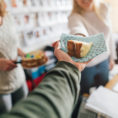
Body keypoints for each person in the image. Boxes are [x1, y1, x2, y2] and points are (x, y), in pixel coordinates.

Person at [0, 42, 89, 118]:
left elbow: (12, 44)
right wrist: (69, 67)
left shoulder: (9, 21)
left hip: (18, 78)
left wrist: (25, 55)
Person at [68, 0, 117, 94]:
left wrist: (112, 57)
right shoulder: (74, 17)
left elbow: (109, 35)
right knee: (84, 92)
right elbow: (77, 28)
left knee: (103, 91)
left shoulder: (104, 8)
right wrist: (79, 37)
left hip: (104, 61)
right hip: (87, 65)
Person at [0, 0, 28, 114]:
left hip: (19, 78)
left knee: (24, 112)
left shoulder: (7, 16)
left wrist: (25, 56)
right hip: (1, 88)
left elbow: (14, 44)